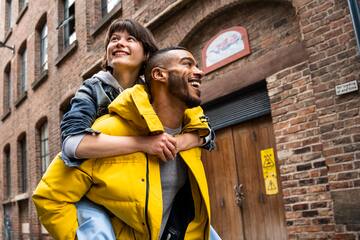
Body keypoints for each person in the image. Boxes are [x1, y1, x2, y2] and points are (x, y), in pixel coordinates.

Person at [33, 47, 213, 239]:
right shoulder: (107, 132)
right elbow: (49, 198)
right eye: (187, 64)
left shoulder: (193, 135)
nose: (199, 71)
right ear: (159, 74)